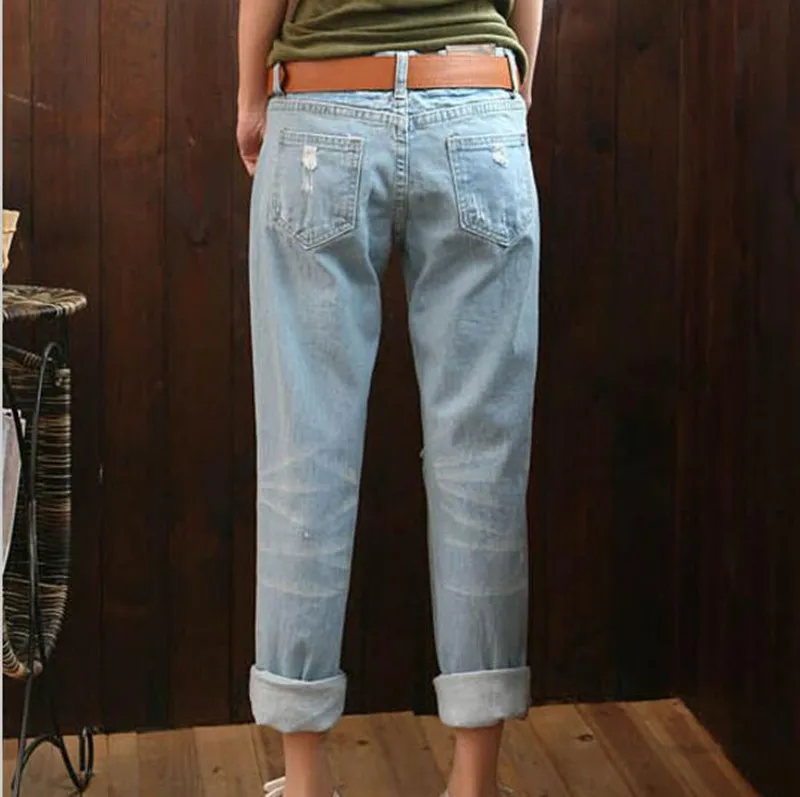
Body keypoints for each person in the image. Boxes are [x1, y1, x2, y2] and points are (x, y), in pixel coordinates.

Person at [237, 1, 543, 796]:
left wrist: (249, 96)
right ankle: (474, 782)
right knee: (483, 464)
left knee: (306, 457)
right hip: (476, 102)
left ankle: (305, 782)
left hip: (322, 106)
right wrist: (513, 89)